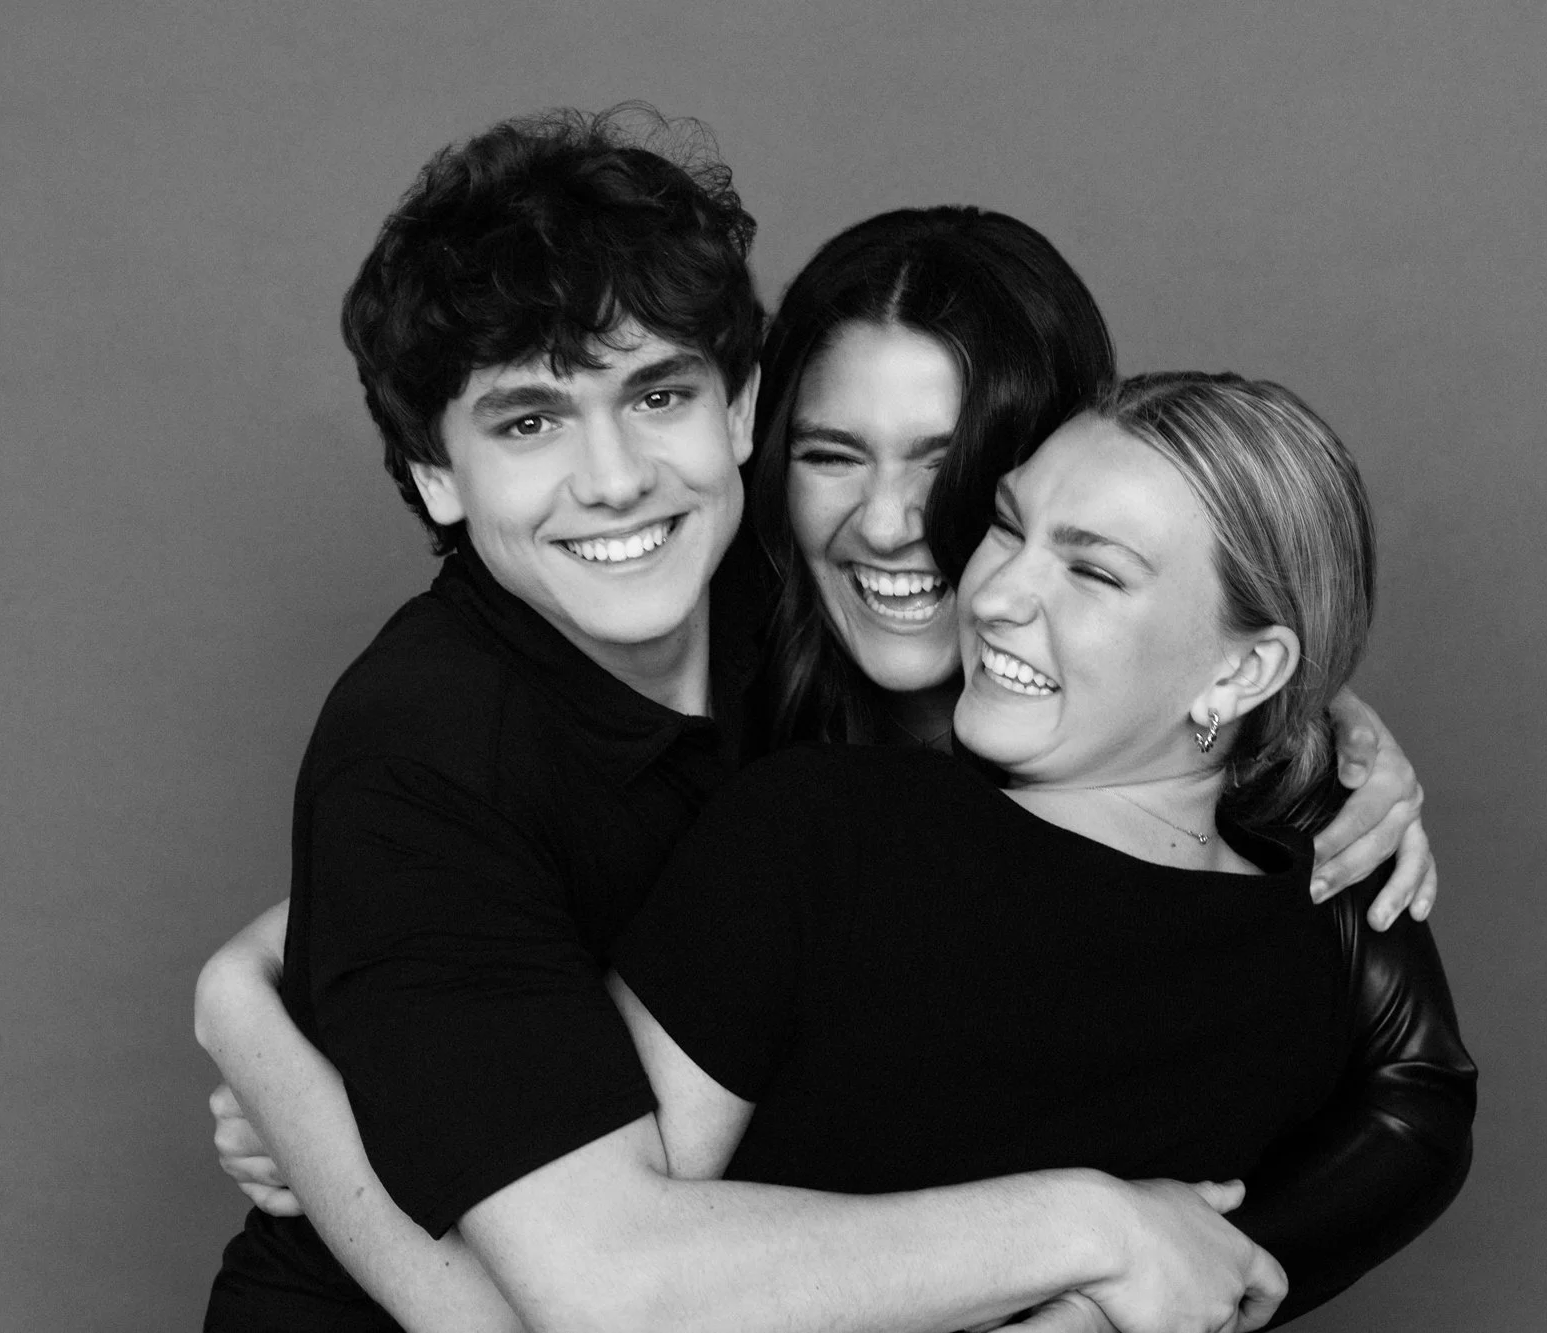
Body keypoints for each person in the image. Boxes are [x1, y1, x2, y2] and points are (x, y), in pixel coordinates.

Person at [200, 113, 1451, 1331]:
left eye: (654, 398)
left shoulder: (769, 590)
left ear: (733, 413)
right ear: (436, 475)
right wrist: (262, 1032)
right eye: (528, 422)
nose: (616, 479)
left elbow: (1408, 1094)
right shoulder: (435, 751)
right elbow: (590, 1292)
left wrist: (1309, 712)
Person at [610, 373, 1476, 1330]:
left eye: (1096, 572)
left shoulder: (817, 829)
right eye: (1008, 526)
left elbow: (594, 1269)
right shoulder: (1319, 962)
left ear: (1243, 668)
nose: (995, 595)